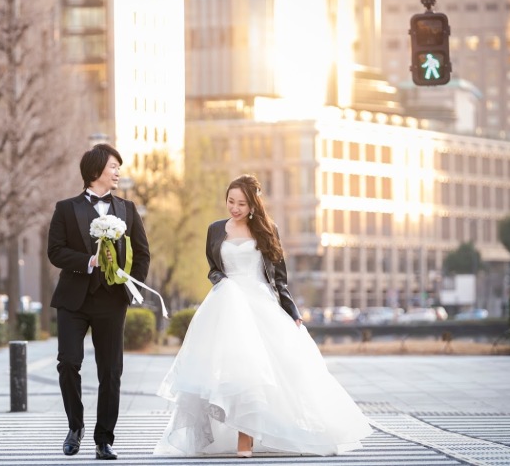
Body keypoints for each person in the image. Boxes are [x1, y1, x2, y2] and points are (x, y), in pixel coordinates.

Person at [154, 175, 372, 458]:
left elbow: (279, 278)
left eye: (241, 203)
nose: (234, 208)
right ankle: (216, 435)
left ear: (253, 204)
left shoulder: (268, 230)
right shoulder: (215, 229)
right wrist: (222, 280)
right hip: (226, 304)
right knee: (225, 371)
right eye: (231, 201)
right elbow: (212, 268)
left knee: (258, 371)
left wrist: (292, 311)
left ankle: (247, 440)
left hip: (260, 303)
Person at [47, 143, 150, 460]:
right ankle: (74, 426)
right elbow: (56, 252)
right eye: (113, 166)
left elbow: (143, 254)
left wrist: (130, 287)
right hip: (73, 300)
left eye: (119, 167)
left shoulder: (127, 210)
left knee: (111, 370)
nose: (118, 171)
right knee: (68, 362)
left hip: (111, 300)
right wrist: (88, 261)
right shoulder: (66, 209)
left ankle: (104, 438)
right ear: (95, 171)